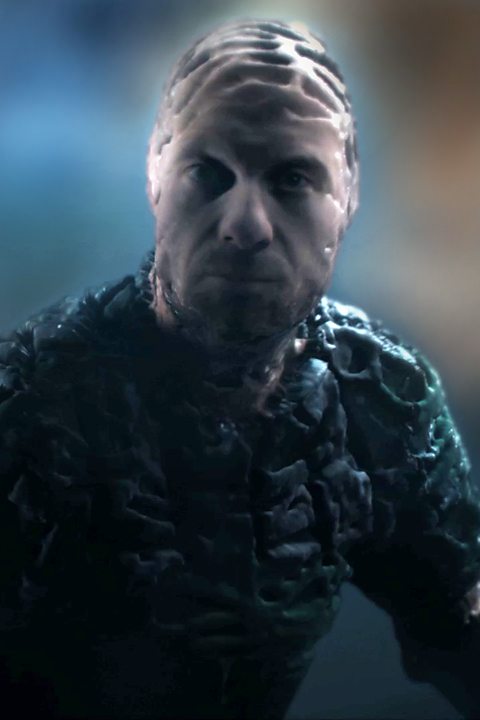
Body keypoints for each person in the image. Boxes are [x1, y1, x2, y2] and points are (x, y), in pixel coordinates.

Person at [0, 17, 479, 719]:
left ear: (348, 195)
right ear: (155, 175)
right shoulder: (35, 396)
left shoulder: (384, 399)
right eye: (210, 174)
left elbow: (459, 627)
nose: (246, 225)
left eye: (292, 179)